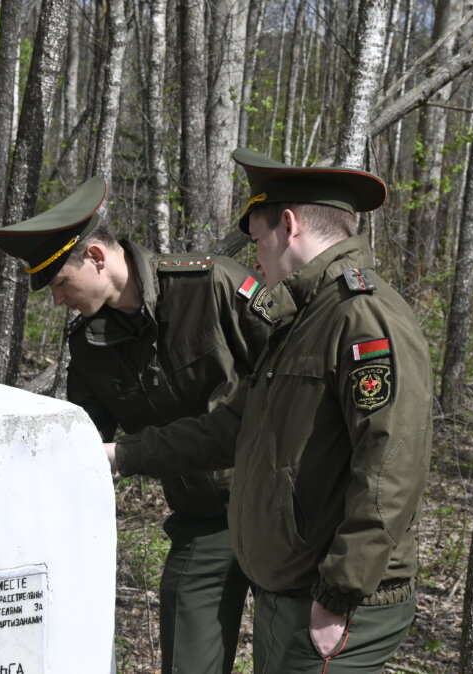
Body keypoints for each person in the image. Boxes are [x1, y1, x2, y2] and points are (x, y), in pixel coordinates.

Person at [108, 149, 433, 673]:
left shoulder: (363, 317)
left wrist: (340, 589)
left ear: (289, 224)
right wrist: (122, 454)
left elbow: (391, 462)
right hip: (293, 590)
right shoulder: (302, 318)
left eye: (258, 240)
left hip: (333, 602)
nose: (255, 257)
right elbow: (232, 429)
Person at [0, 177, 270, 673]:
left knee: (290, 657)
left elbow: (292, 382)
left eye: (59, 284)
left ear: (96, 257)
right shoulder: (88, 343)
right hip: (202, 521)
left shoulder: (211, 286)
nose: (56, 302)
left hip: (275, 509)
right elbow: (83, 447)